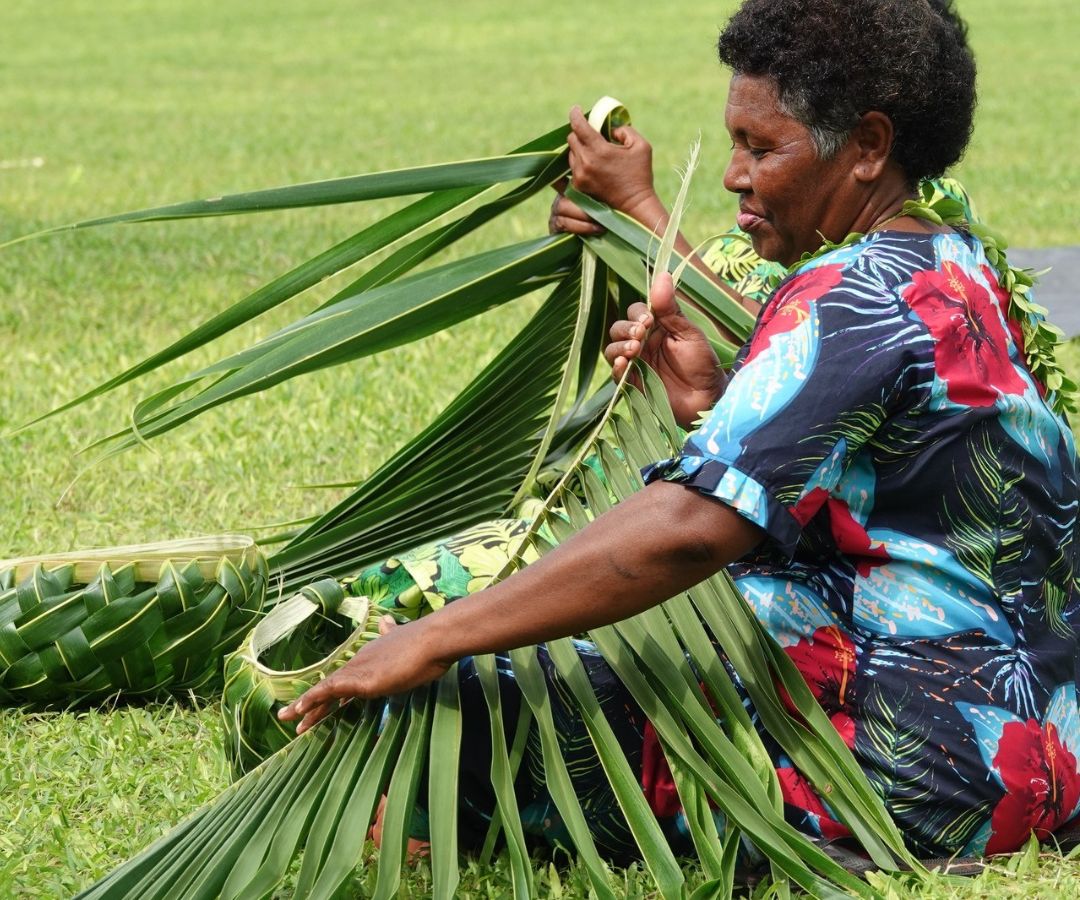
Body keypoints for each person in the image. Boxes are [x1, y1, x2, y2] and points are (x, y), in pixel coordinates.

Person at [282, 0, 1080, 860]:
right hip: (1038, 751)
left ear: (869, 147)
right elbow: (893, 498)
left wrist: (435, 635)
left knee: (442, 712)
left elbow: (690, 531)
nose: (735, 174)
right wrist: (712, 407)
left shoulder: (848, 297)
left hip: (911, 768)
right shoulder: (948, 263)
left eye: (760, 146)